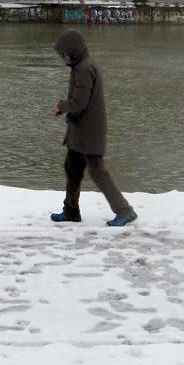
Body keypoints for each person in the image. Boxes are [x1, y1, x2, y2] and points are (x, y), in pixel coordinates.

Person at [50, 28, 137, 227]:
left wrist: (60, 106)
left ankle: (125, 211)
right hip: (80, 131)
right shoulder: (82, 66)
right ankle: (71, 211)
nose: (63, 56)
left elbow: (79, 103)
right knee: (72, 168)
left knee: (98, 172)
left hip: (89, 133)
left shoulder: (84, 69)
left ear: (73, 50)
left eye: (64, 51)